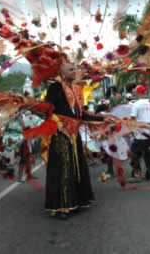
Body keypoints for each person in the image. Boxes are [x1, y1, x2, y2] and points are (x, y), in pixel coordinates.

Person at [44, 61, 104, 220]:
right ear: (62, 73)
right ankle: (61, 206)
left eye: (75, 68)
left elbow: (81, 114)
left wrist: (102, 119)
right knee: (64, 168)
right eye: (71, 69)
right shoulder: (55, 88)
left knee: (77, 167)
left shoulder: (76, 90)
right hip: (61, 134)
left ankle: (77, 201)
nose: (74, 71)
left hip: (74, 134)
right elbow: (47, 108)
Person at [129, 85, 150, 182]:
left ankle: (137, 173)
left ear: (138, 92)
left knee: (135, 153)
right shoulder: (149, 104)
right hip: (149, 132)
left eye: (135, 92)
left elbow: (132, 118)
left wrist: (129, 129)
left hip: (140, 133)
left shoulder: (136, 104)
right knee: (148, 154)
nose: (134, 93)